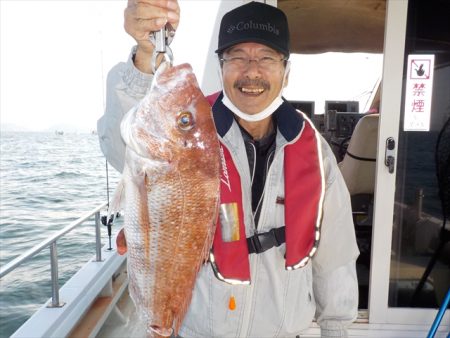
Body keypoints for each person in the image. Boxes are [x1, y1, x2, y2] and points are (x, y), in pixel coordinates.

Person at [97, 1, 360, 337]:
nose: (252, 71)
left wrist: (336, 328)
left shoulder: (314, 151)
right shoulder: (190, 133)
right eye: (237, 56)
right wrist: (147, 52)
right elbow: (121, 139)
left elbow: (335, 257)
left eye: (266, 57)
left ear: (286, 71)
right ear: (221, 67)